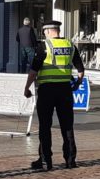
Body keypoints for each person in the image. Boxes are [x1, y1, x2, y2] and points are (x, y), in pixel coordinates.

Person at [23, 20, 85, 170]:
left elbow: (34, 71)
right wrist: (77, 83)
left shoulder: (44, 46)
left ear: (50, 31)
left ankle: (45, 161)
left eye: (44, 32)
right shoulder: (70, 45)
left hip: (47, 90)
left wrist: (26, 88)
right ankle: (70, 160)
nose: (44, 34)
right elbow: (80, 69)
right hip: (65, 90)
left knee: (45, 126)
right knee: (67, 125)